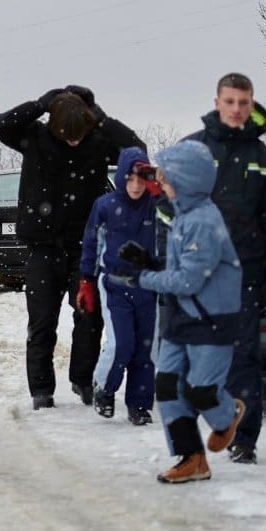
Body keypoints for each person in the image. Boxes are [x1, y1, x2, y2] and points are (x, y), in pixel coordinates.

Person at [0, 85, 145, 410]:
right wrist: (40, 104)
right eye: (67, 136)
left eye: (79, 135)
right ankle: (41, 390)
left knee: (89, 316)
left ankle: (82, 379)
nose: (74, 141)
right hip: (42, 248)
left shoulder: (97, 141)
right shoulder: (35, 137)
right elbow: (1, 125)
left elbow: (135, 149)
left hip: (84, 249)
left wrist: (98, 115)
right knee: (41, 322)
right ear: (54, 126)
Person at [116, 140, 245, 483]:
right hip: (182, 314)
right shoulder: (183, 214)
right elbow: (183, 268)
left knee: (202, 390)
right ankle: (192, 458)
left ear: (187, 180)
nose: (160, 182)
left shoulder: (203, 221)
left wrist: (142, 278)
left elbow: (190, 280)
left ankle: (227, 414)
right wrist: (150, 263)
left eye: (166, 177)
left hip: (211, 319)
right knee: (169, 385)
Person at [178, 72, 266, 464]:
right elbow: (168, 213)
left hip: (245, 279)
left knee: (243, 361)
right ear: (217, 102)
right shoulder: (191, 151)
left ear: (251, 103)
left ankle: (244, 439)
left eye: (243, 102)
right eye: (230, 101)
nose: (236, 109)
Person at [78, 146, 159, 424]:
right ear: (122, 177)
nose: (136, 186)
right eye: (130, 179)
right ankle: (104, 387)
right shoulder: (105, 206)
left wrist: (159, 189)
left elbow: (178, 210)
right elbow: (91, 244)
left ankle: (139, 404)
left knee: (145, 348)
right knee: (122, 343)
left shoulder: (155, 204)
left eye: (141, 179)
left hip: (148, 285)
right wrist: (86, 280)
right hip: (114, 285)